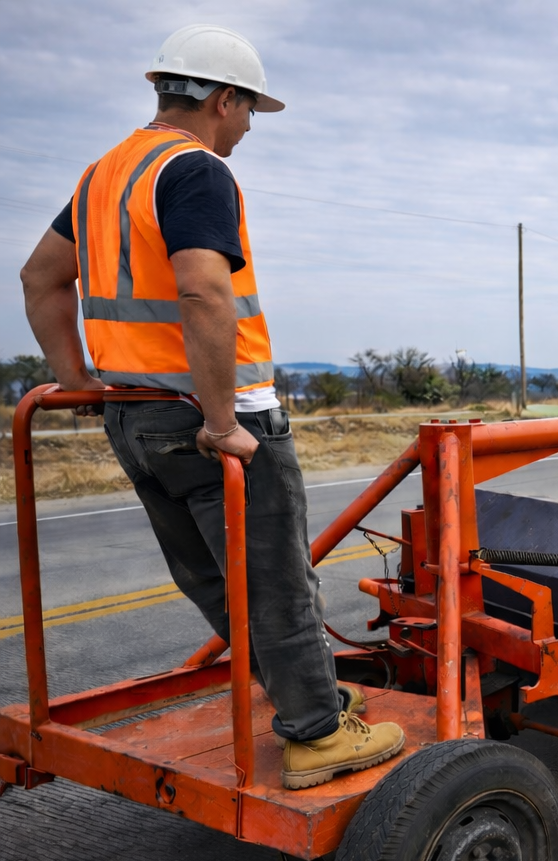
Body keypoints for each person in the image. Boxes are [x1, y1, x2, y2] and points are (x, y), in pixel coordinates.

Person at [18, 25, 403, 790]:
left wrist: (77, 382)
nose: (251, 126)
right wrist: (223, 421)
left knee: (210, 578)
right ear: (221, 99)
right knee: (277, 579)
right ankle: (317, 735)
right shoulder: (194, 170)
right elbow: (202, 289)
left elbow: (39, 277)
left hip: (134, 417)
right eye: (250, 110)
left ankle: (304, 694)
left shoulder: (105, 174)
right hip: (210, 420)